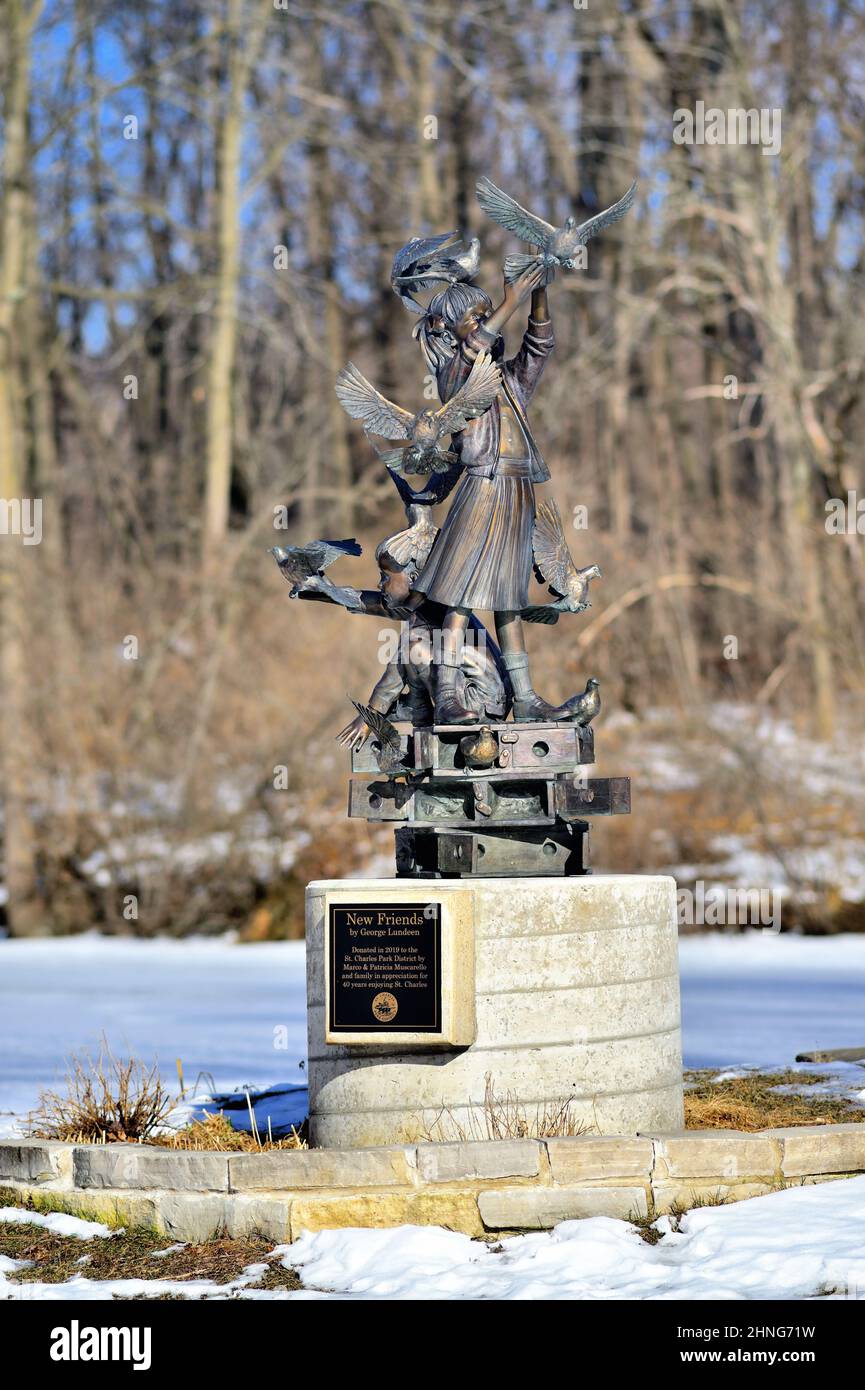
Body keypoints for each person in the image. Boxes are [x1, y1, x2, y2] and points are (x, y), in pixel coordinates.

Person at [412, 262, 567, 723]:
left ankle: (524, 695)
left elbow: (539, 348)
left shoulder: (507, 382)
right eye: (475, 318)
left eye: (488, 314)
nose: (487, 323)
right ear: (449, 332)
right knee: (460, 592)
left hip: (517, 487)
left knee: (509, 597)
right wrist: (510, 300)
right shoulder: (455, 373)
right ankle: (447, 693)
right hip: (481, 486)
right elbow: (473, 346)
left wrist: (537, 294)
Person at [293, 536, 512, 750]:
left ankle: (418, 709)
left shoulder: (429, 612)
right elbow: (371, 603)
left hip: (475, 702)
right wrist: (322, 589)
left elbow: (397, 669)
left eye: (385, 577)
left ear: (415, 578)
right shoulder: (430, 602)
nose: (380, 584)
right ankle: (418, 707)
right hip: (490, 702)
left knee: (412, 647)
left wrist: (372, 715)